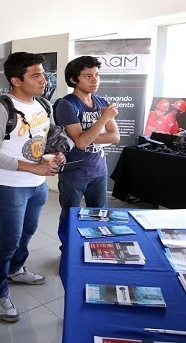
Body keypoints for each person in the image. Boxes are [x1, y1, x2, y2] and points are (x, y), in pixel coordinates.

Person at [0, 52, 65, 322]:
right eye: (36, 75)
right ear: (16, 80)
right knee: (7, 239)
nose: (44, 80)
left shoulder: (42, 104)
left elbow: (48, 137)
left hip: (37, 185)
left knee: (27, 232)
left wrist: (57, 153)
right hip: (9, 186)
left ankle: (15, 269)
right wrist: (33, 168)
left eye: (44, 74)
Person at [54, 56, 119, 243]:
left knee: (99, 215)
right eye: (88, 76)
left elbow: (115, 137)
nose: (95, 80)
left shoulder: (101, 102)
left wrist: (87, 135)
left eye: (97, 75)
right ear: (74, 79)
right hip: (74, 172)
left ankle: (93, 248)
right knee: (70, 216)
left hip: (98, 168)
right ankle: (67, 251)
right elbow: (81, 143)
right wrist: (103, 119)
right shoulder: (66, 104)